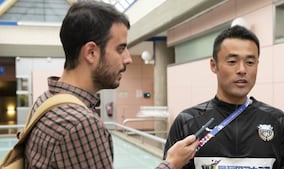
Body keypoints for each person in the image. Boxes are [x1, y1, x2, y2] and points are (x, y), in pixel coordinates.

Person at [24, 1, 198, 169]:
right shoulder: (81, 124)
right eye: (120, 49)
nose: (128, 59)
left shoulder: (46, 101)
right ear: (91, 53)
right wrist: (171, 164)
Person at [163, 25, 284, 169]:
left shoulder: (277, 121)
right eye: (232, 62)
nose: (242, 70)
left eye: (250, 62)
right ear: (213, 65)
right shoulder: (188, 122)